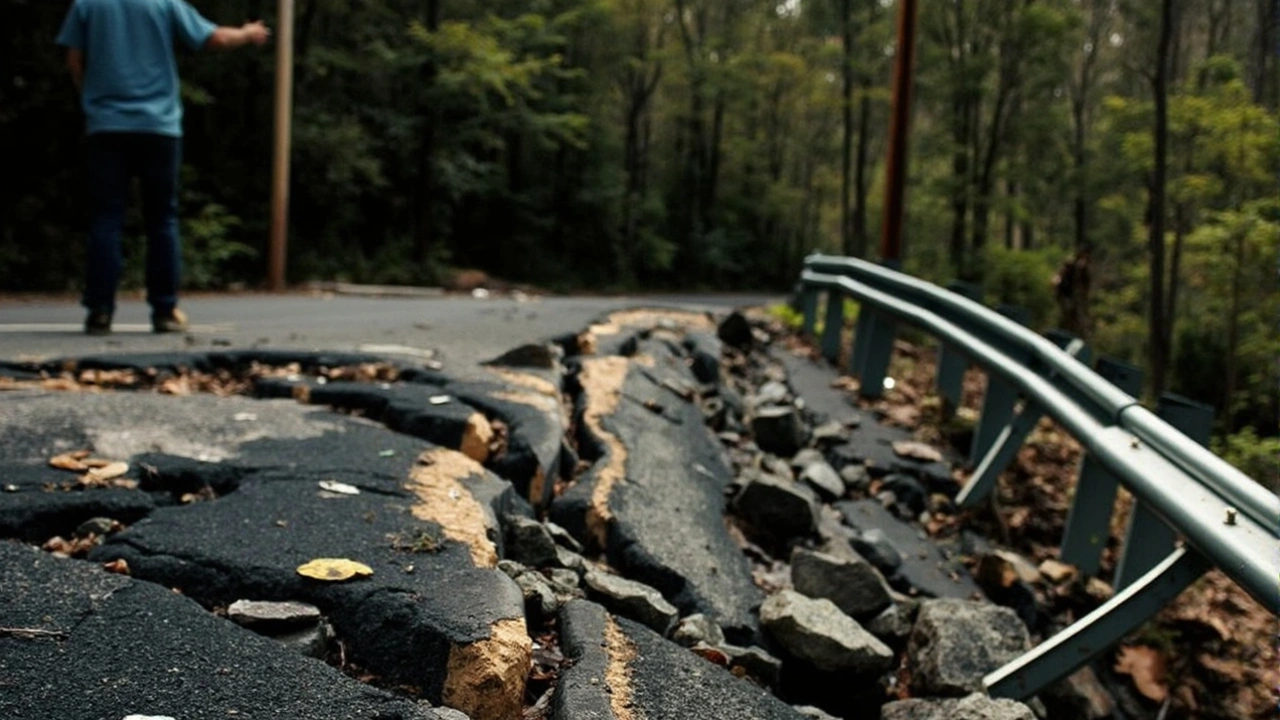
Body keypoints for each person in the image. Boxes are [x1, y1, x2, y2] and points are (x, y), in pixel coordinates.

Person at [56, 0, 270, 335]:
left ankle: (99, 310)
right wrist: (247, 33)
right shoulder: (163, 3)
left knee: (107, 217)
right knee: (161, 218)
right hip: (159, 125)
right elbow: (213, 38)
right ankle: (164, 310)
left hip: (106, 125)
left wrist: (92, 100)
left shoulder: (88, 4)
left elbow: (74, 60)